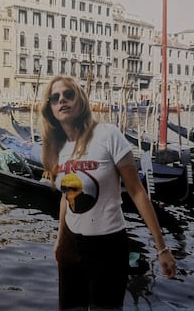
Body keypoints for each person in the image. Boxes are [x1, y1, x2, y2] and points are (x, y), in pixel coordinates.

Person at [40, 75, 176, 310]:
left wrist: (161, 248)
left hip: (108, 247)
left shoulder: (108, 135)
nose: (62, 100)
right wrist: (59, 240)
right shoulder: (58, 148)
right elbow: (66, 197)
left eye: (68, 95)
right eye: (55, 98)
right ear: (50, 108)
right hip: (70, 246)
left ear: (79, 100)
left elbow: (137, 191)